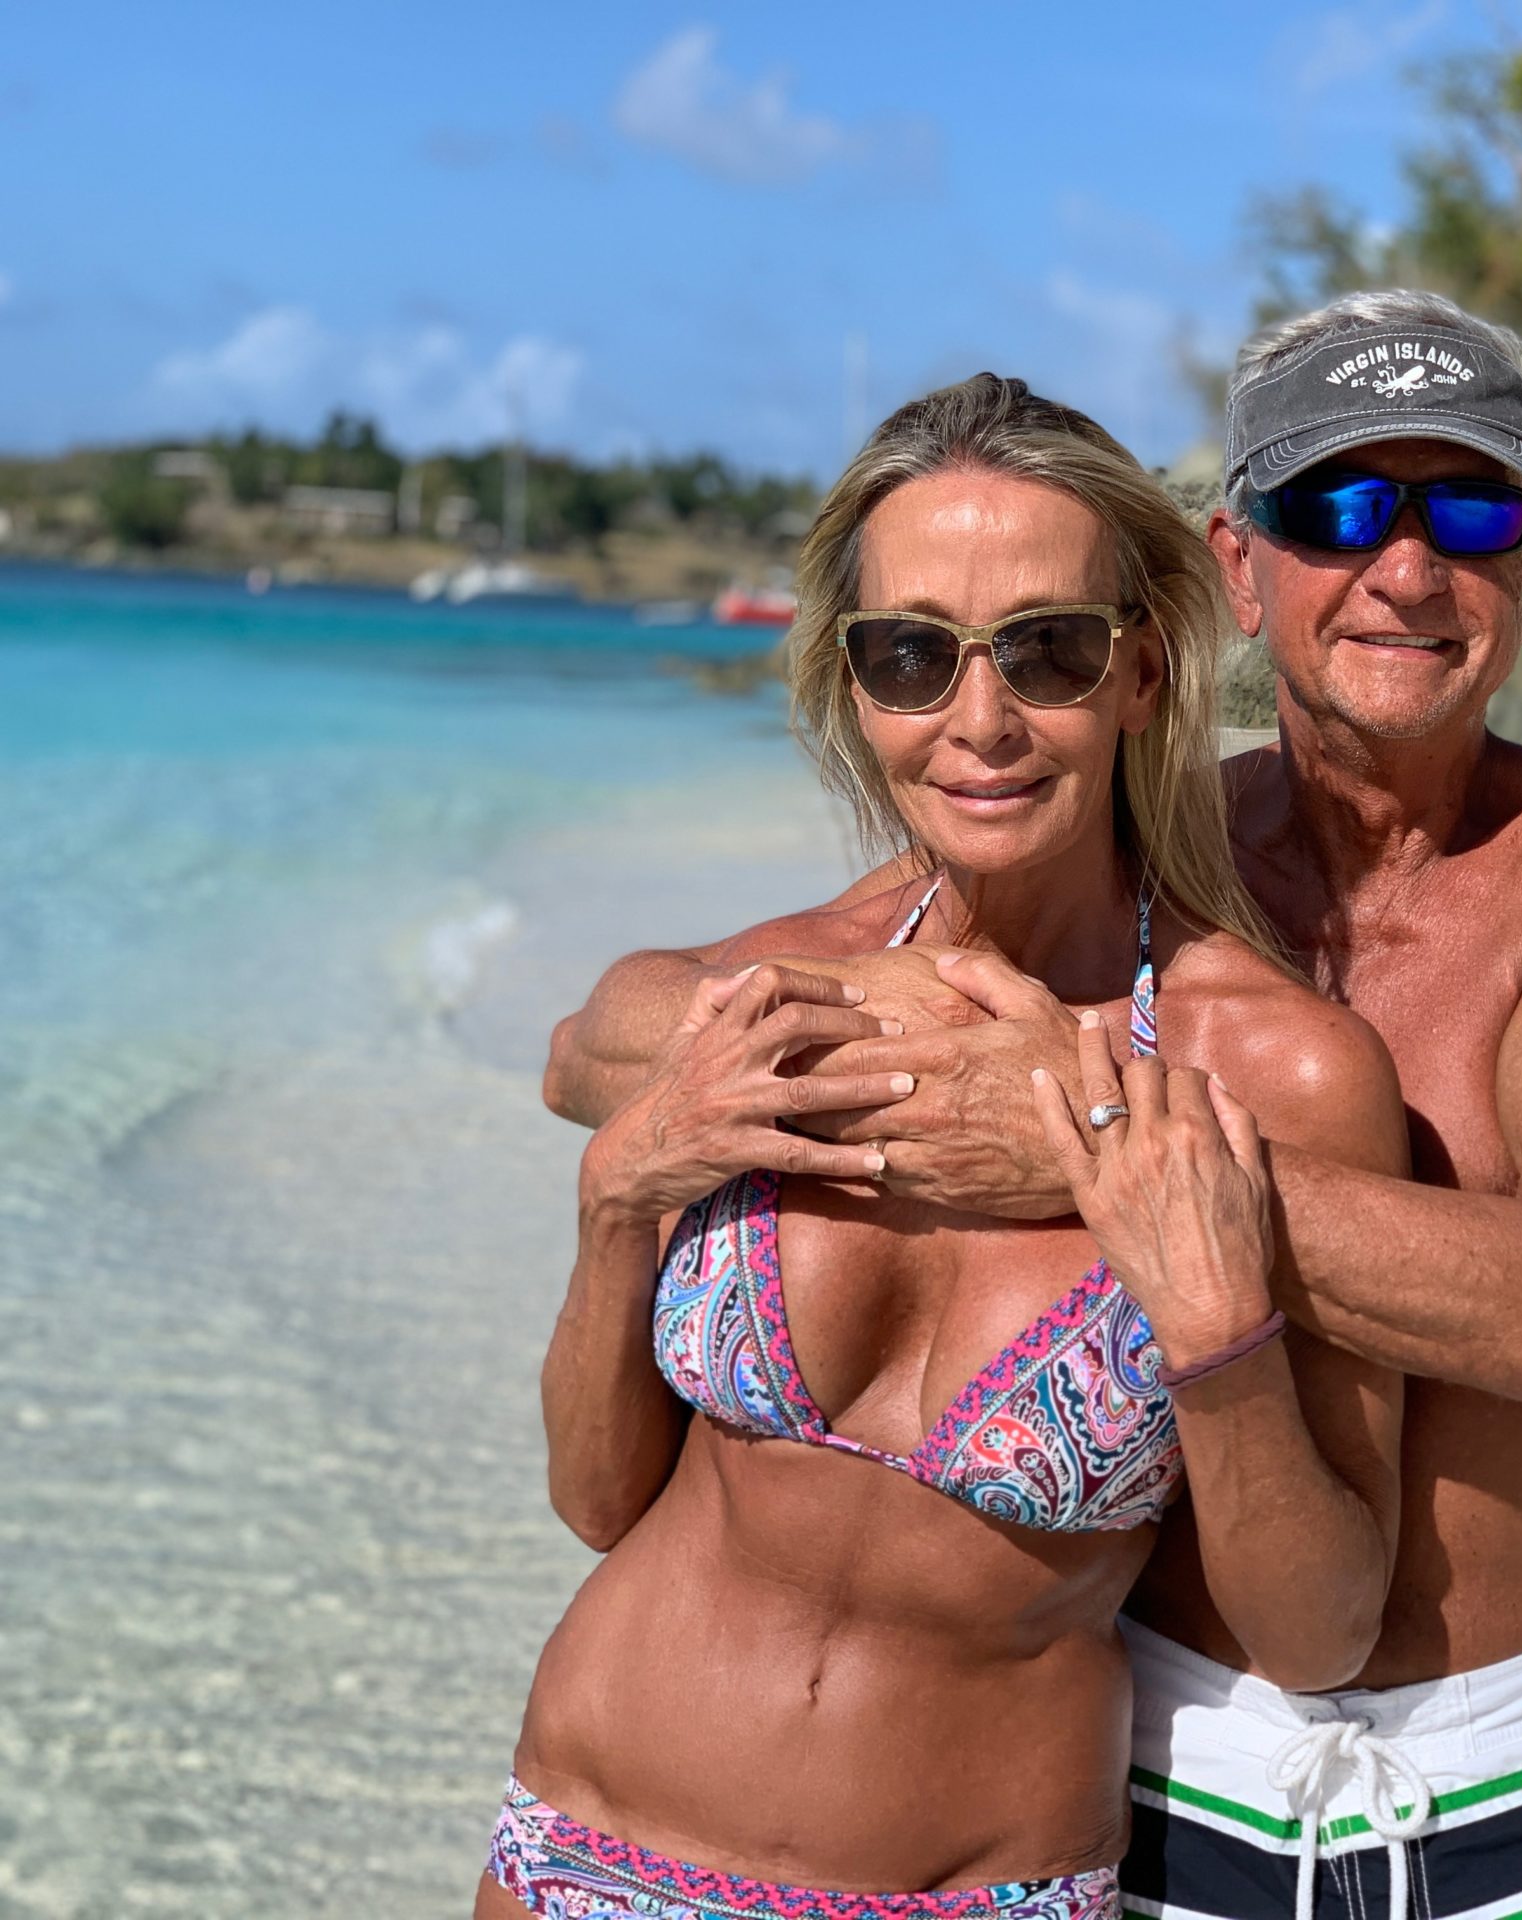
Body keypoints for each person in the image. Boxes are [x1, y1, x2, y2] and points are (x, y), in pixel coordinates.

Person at [550, 293, 1522, 1919]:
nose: (1406, 568)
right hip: (1176, 1780)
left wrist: (1071, 1140)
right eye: (1338, 509)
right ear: (1240, 568)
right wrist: (825, 1100)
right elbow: (620, 1038)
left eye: (1469, 511)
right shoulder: (1112, 834)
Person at [481, 373, 1412, 1920]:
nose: (979, 723)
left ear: (1142, 669)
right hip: (581, 1848)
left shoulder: (1275, 1072)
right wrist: (611, 1201)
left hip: (974, 1892)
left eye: (1047, 651)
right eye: (913, 655)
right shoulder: (774, 997)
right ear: (855, 687)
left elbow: (1321, 1635)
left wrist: (1220, 1336)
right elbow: (596, 1503)